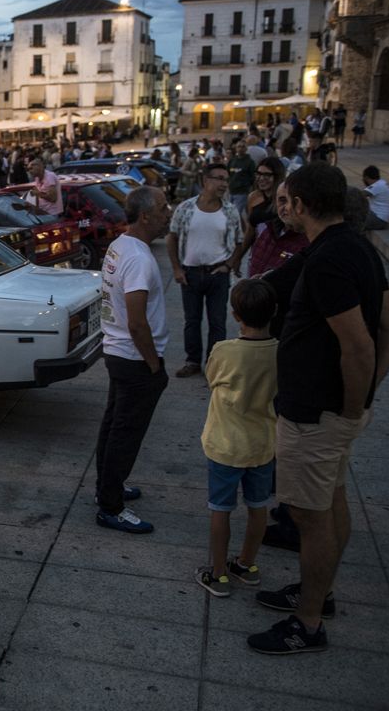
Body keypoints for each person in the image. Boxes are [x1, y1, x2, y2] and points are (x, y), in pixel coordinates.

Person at [247, 163, 389, 655]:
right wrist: (362, 400)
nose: (282, 205)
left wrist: (349, 409)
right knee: (330, 503)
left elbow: (359, 345)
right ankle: (320, 593)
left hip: (318, 414)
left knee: (309, 516)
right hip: (331, 412)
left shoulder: (328, 262)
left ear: (305, 204)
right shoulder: (354, 245)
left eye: (287, 198)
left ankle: (308, 623)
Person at [94, 186, 172, 534]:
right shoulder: (139, 258)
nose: (168, 212)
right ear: (145, 216)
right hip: (134, 357)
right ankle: (111, 506)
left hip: (117, 351)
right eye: (163, 207)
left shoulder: (121, 244)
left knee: (114, 427)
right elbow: (137, 321)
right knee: (125, 434)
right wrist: (153, 364)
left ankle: (110, 486)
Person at [194, 278, 278, 598]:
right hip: (262, 444)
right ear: (275, 311)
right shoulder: (279, 351)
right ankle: (246, 563)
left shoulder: (224, 350)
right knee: (258, 507)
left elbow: (212, 378)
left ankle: (218, 575)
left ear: (234, 315)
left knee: (221, 509)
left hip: (225, 445)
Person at [167, 162, 244, 377]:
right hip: (190, 274)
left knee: (217, 322)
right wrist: (176, 269)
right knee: (192, 321)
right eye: (219, 178)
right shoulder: (185, 208)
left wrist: (228, 265)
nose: (223, 184)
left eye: (226, 180)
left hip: (217, 275)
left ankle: (214, 363)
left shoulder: (230, 211)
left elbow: (239, 242)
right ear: (205, 181)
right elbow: (171, 238)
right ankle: (192, 361)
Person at [227, 140, 257, 214]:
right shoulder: (232, 161)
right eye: (239, 146)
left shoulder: (250, 162)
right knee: (229, 212)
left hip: (242, 192)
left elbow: (253, 177)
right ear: (236, 148)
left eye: (243, 147)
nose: (240, 148)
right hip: (231, 191)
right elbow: (228, 174)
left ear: (246, 149)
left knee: (236, 213)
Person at [361, 165, 389, 230]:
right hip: (382, 220)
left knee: (351, 217)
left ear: (366, 178)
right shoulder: (383, 184)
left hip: (377, 220)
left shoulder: (376, 186)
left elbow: (358, 195)